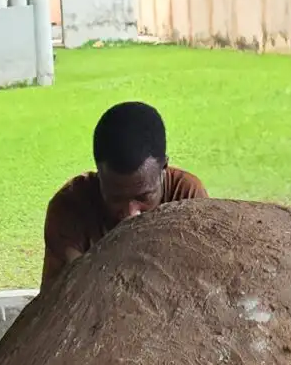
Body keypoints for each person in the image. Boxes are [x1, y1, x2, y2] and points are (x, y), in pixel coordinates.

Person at [42, 101, 206, 287]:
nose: (130, 214)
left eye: (143, 197)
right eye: (115, 198)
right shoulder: (69, 209)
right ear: (99, 176)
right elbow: (61, 300)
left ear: (164, 169)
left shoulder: (188, 198)